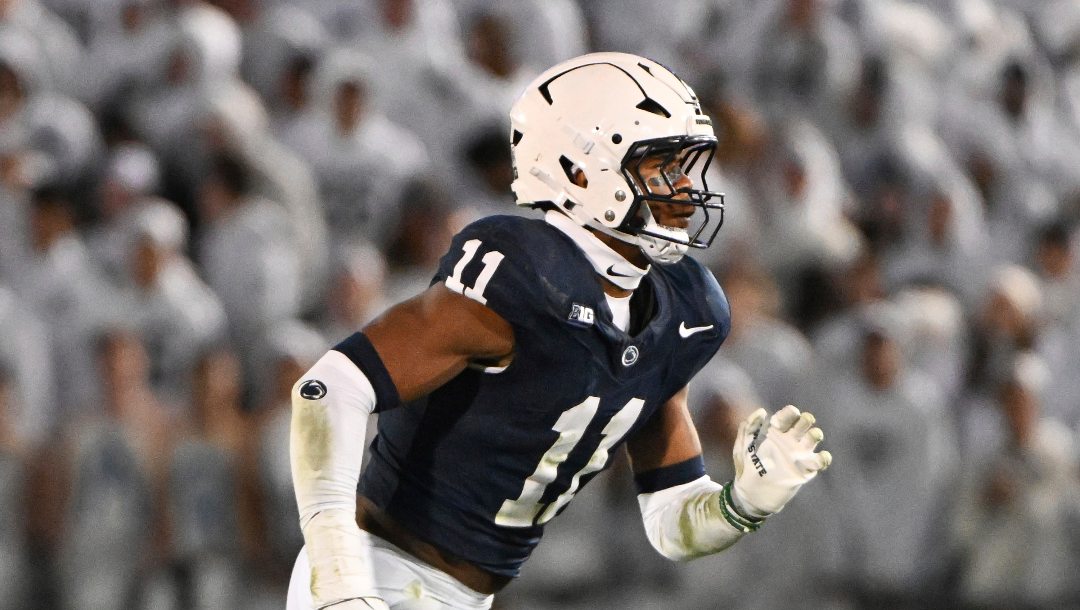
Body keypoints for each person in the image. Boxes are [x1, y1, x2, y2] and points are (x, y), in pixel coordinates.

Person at [287, 52, 833, 610]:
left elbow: (671, 524)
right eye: (663, 168)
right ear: (581, 171)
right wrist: (337, 574)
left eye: (688, 168)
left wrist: (743, 502)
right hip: (377, 570)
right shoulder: (524, 274)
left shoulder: (685, 309)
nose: (687, 191)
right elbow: (327, 388)